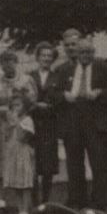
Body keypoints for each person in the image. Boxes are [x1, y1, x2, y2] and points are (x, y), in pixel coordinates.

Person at [52, 40, 107, 208]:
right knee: (74, 162)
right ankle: (76, 199)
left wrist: (100, 92)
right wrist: (64, 96)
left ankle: (100, 200)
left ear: (94, 52)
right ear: (77, 54)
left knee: (98, 162)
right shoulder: (64, 70)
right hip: (73, 120)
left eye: (89, 52)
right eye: (82, 52)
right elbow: (53, 93)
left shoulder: (104, 68)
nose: (85, 56)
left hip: (95, 120)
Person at [0, 87, 36, 214]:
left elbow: (23, 137)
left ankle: (25, 210)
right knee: (16, 183)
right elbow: (7, 137)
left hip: (23, 154)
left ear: (24, 106)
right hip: (13, 153)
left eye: (19, 105)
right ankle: (19, 209)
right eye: (13, 105)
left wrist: (16, 122)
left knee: (25, 183)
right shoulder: (10, 121)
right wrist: (10, 126)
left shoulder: (27, 120)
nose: (16, 108)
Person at [30, 42, 62, 204]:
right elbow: (24, 98)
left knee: (48, 163)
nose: (46, 59)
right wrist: (35, 105)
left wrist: (49, 106)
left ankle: (46, 200)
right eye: (43, 55)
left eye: (49, 56)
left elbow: (60, 100)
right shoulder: (30, 76)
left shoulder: (57, 77)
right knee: (33, 161)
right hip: (33, 123)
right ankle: (35, 200)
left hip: (50, 124)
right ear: (37, 57)